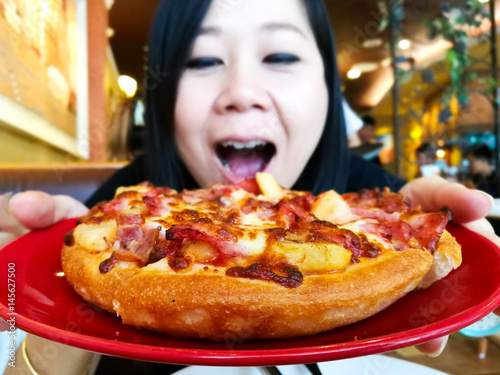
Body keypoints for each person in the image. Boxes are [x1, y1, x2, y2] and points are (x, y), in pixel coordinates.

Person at [1, 0, 500, 373]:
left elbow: (474, 311)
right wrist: (42, 320)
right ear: (165, 95)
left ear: (328, 86)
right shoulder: (115, 210)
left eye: (280, 55)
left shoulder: (384, 207)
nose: (240, 93)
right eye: (201, 61)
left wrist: (477, 301)